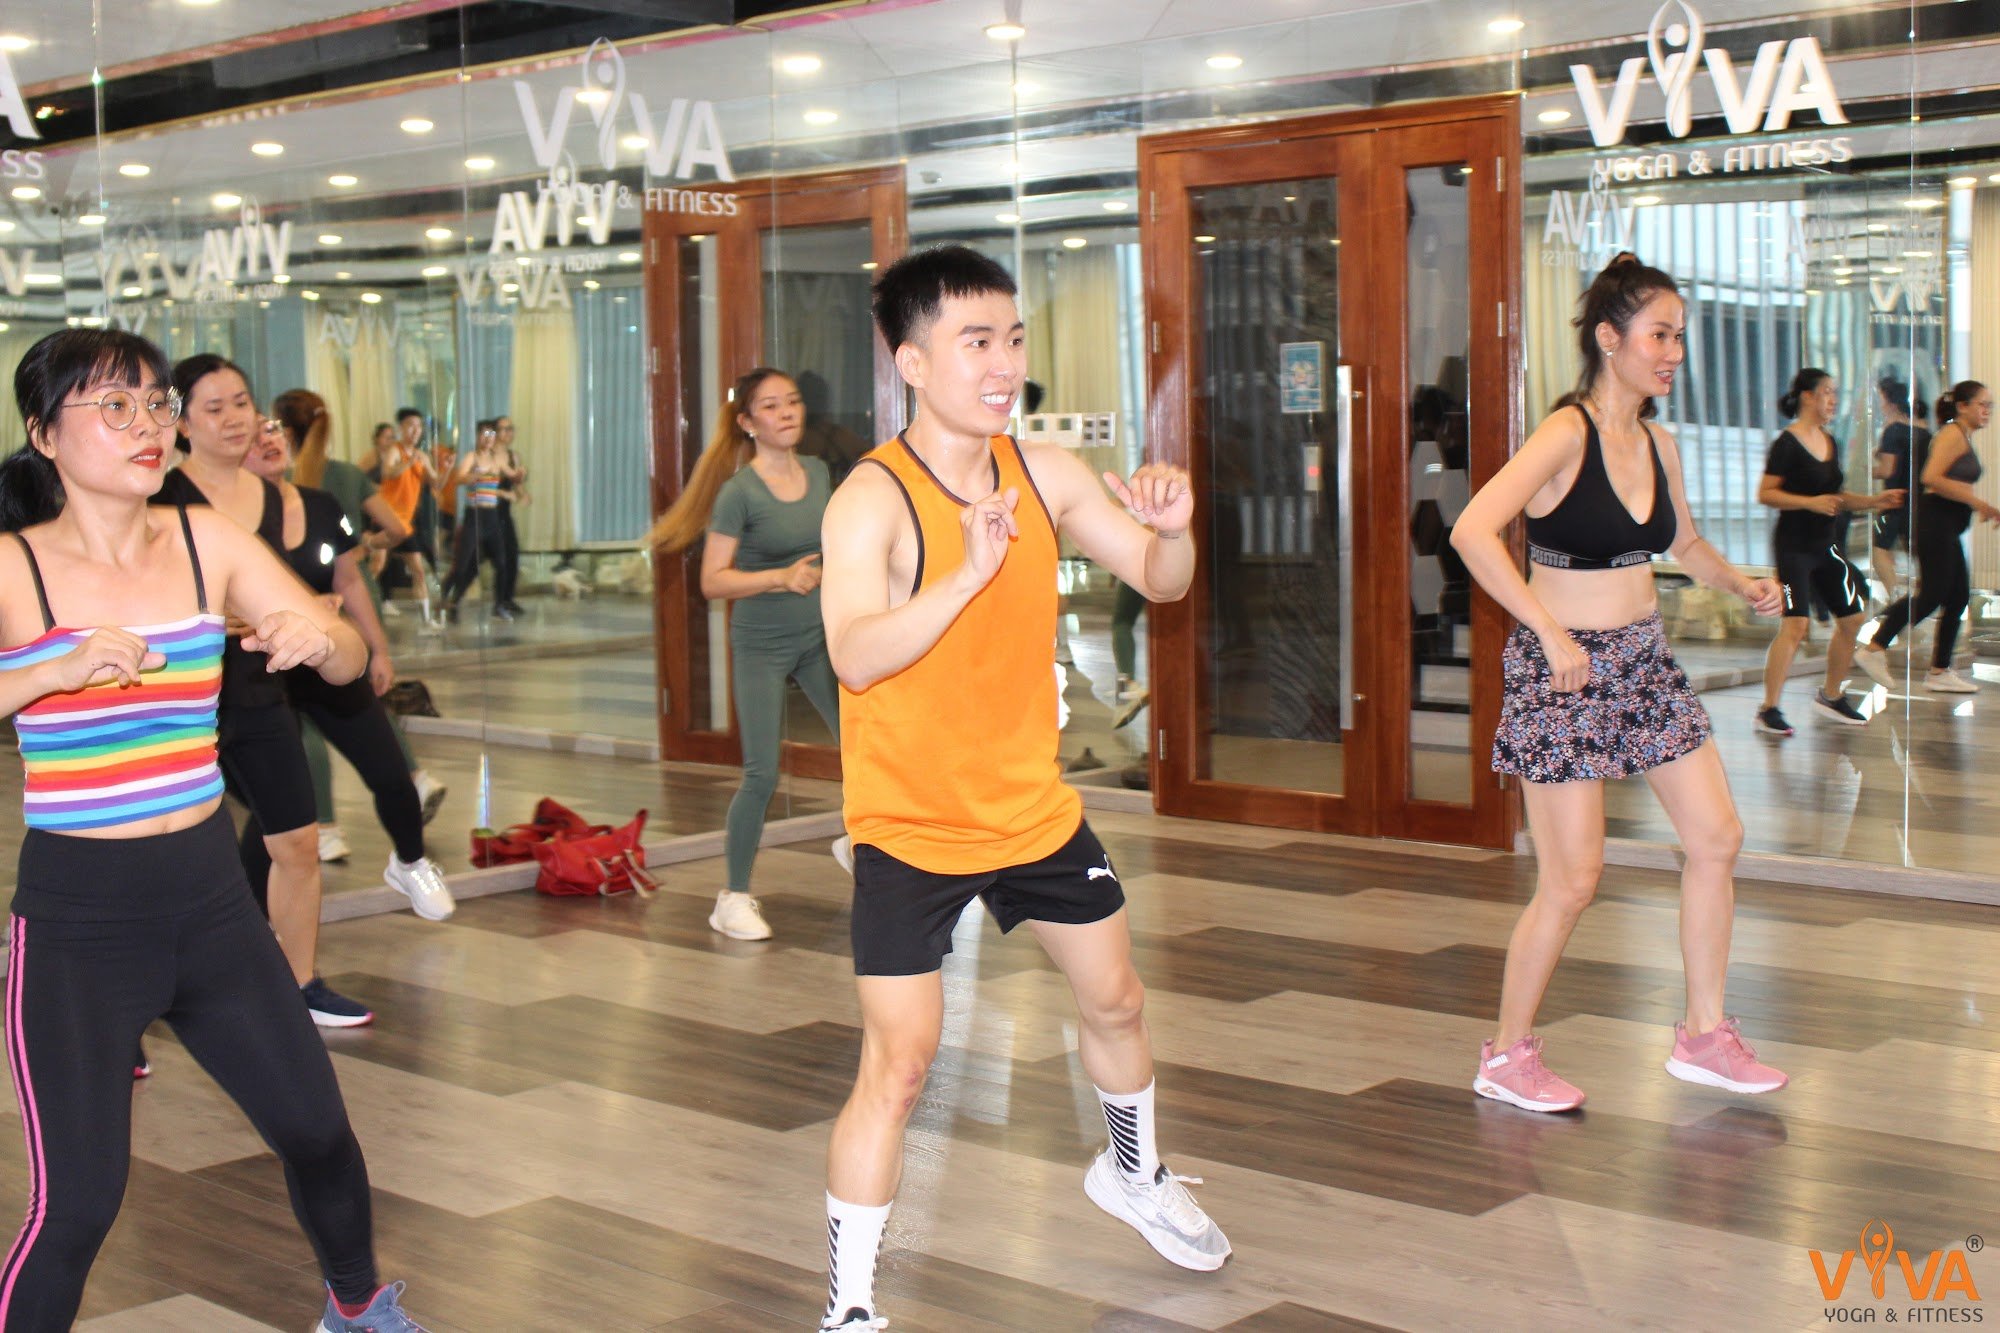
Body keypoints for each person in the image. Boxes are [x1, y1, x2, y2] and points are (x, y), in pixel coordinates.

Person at [815, 246, 1229, 1331]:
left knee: (1117, 1000)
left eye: (1013, 338)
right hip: (906, 825)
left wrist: (1177, 530)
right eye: (974, 342)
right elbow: (856, 656)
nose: (1002, 363)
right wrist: (963, 574)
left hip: (1031, 810)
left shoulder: (1043, 472)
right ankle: (849, 1306)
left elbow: (1157, 579)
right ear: (911, 360)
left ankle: (1133, 1174)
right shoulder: (871, 500)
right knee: (898, 1069)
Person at [0, 328, 427, 1332]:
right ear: (43, 436)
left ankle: (358, 1306)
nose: (146, 425)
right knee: (78, 1207)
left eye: (153, 404)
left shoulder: (207, 543)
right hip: (78, 926)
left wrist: (313, 634)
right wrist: (42, 672)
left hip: (209, 907)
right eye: (114, 407)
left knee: (319, 1131)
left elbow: (344, 652)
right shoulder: (16, 568)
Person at [1448, 252, 1789, 1114]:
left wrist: (1738, 580)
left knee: (1717, 837)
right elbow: (1475, 530)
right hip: (1562, 673)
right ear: (1611, 338)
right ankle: (1507, 1054)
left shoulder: (1659, 441)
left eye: (1680, 337)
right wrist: (1547, 628)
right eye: (1659, 334)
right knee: (1572, 878)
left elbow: (1683, 543)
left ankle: (1705, 1034)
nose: (1673, 352)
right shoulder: (1566, 433)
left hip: (1642, 662)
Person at [156, 354, 373, 1027]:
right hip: (175, 700)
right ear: (183, 421)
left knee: (298, 841)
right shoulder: (159, 498)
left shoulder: (283, 496)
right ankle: (138, 1006)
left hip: (259, 689)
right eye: (213, 406)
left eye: (241, 401)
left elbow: (335, 583)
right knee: (163, 857)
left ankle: (299, 982)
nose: (233, 417)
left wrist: (336, 630)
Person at [647, 369, 849, 941]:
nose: (787, 413)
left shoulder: (816, 471)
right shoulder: (739, 493)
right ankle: (732, 897)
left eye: (793, 402)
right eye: (770, 406)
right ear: (747, 423)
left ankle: (858, 842)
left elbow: (832, 546)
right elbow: (713, 582)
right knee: (761, 773)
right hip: (762, 642)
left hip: (819, 636)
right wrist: (779, 577)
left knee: (863, 746)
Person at [243, 397, 456, 924]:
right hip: (257, 671)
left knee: (391, 771)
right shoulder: (219, 521)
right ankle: (248, 920)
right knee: (279, 803)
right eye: (252, 438)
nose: (268, 442)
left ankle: (411, 861)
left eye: (272, 431)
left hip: (327, 660)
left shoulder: (318, 503)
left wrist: (378, 648)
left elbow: (348, 580)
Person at [1754, 368, 1903, 736]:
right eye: (1827, 393)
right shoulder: (1787, 444)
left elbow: (1836, 499)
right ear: (1807, 397)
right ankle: (1768, 708)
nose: (1833, 400)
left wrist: (1874, 500)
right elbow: (1766, 493)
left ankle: (1831, 696)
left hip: (1826, 547)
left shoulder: (1829, 441)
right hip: (1794, 548)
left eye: (1835, 393)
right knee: (1796, 625)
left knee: (1852, 619)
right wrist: (1809, 502)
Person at [1856, 380, 1999, 694]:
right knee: (1933, 594)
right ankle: (1874, 648)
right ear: (1962, 406)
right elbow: (1930, 478)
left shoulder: (1961, 435)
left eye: (1990, 405)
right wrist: (1979, 503)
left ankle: (1939, 670)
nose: (1987, 411)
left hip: (1946, 525)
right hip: (1934, 523)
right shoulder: (1951, 434)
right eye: (1982, 404)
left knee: (1958, 595)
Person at [441, 419, 517, 622]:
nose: (487, 439)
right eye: (483, 434)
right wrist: (470, 478)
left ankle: (499, 605)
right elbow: (458, 478)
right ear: (477, 436)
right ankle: (449, 598)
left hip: (492, 517)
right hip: (474, 516)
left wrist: (519, 473)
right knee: (464, 564)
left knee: (501, 562)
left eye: (491, 435)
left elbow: (513, 475)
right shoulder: (471, 457)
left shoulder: (497, 460)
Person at [372, 412, 436, 619]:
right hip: (385, 518)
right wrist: (409, 463)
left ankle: (427, 620)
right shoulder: (395, 450)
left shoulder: (422, 456)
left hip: (406, 523)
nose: (415, 431)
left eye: (419, 426)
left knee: (418, 570)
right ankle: (360, 608)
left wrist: (448, 468)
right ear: (401, 427)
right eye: (410, 425)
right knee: (377, 566)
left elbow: (436, 483)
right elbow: (387, 473)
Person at [1871, 376, 1928, 598]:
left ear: (1891, 402)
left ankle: (1895, 596)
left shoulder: (1893, 430)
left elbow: (1887, 470)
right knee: (1915, 553)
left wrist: (1867, 471)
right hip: (1919, 501)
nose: (1880, 405)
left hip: (1895, 501)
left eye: (1881, 399)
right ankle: (1922, 599)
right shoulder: (1922, 429)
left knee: (1879, 550)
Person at [493, 414, 527, 617]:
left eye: (510, 429)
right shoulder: (491, 455)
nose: (508, 433)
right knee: (500, 557)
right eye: (504, 429)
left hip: (504, 510)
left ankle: (507, 598)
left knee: (512, 553)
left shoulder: (513, 456)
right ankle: (499, 601)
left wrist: (523, 495)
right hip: (490, 510)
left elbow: (517, 482)